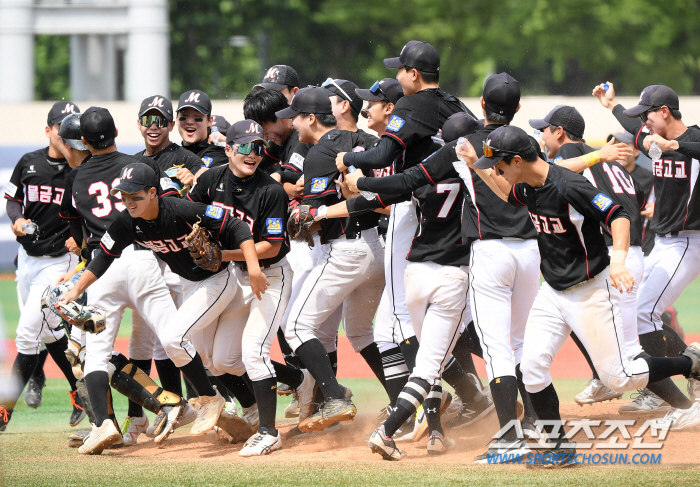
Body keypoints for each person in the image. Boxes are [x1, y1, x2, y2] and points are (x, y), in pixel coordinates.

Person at [459, 124, 700, 467]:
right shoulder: (526, 185)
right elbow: (502, 190)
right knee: (531, 367)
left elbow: (618, 216)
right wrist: (474, 167)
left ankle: (690, 363)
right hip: (553, 292)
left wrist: (618, 262)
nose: (495, 171)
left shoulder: (568, 184)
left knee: (619, 377)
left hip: (591, 291)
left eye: (498, 165)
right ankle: (559, 449)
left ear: (516, 161)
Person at [58, 159, 268, 453]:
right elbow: (103, 256)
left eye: (136, 195)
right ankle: (252, 410)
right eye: (124, 195)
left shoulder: (180, 209)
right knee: (209, 359)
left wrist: (254, 267)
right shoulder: (126, 222)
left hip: (218, 280)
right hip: (190, 284)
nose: (129, 201)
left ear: (154, 192)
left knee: (172, 338)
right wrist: (77, 289)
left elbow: (234, 223)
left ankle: (210, 400)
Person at [188, 119, 316, 455]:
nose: (253, 153)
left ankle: (268, 431)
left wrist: (221, 254)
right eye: (244, 146)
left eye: (258, 147)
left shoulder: (270, 190)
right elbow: (190, 215)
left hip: (270, 277)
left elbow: (272, 246)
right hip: (236, 276)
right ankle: (301, 380)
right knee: (224, 360)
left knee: (254, 352)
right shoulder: (211, 181)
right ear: (228, 149)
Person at [277, 87, 386, 433]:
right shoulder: (363, 139)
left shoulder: (319, 152)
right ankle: (407, 398)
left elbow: (309, 215)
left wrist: (297, 213)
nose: (291, 125)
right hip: (377, 248)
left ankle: (335, 396)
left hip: (346, 251)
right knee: (358, 331)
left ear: (311, 118)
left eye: (294, 117)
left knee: (294, 326)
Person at [594, 82, 700, 424]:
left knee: (644, 312)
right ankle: (679, 373)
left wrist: (676, 144)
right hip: (662, 244)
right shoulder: (650, 139)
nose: (645, 124)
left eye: (648, 115)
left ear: (665, 112)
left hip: (688, 241)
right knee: (632, 310)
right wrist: (611, 106)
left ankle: (670, 385)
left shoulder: (693, 140)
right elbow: (631, 127)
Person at [1, 101, 84, 432]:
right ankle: (78, 391)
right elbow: (12, 198)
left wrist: (82, 241)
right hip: (27, 259)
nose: (65, 133)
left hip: (60, 261)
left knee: (26, 332)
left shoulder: (79, 167)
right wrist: (17, 219)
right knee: (48, 330)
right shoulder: (29, 162)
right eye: (60, 126)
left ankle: (4, 410)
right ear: (48, 129)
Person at [177, 89, 228, 170]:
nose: (190, 122)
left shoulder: (220, 155)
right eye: (184, 116)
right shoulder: (170, 154)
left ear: (210, 121)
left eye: (197, 117)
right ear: (176, 120)